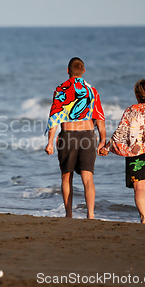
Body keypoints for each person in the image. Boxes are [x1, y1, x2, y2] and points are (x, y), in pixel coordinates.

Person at [101, 79, 145, 224]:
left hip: (135, 154)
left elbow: (119, 133)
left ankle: (143, 218)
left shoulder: (130, 111)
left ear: (136, 94)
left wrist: (107, 147)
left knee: (139, 187)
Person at [45, 57, 106, 219]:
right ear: (83, 71)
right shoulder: (91, 90)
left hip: (68, 136)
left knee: (67, 175)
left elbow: (54, 117)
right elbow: (99, 117)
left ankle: (69, 214)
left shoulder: (61, 90)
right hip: (87, 135)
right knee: (88, 177)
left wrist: (50, 142)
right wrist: (102, 141)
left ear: (67, 71)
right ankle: (91, 215)